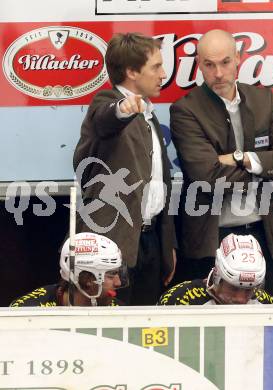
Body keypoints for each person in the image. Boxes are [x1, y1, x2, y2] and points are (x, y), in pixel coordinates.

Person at [170, 29, 273, 302]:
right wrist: (264, 167)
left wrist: (242, 158)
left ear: (238, 59)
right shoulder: (185, 109)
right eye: (209, 64)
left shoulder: (262, 100)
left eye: (225, 62)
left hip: (263, 233)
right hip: (211, 238)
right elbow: (206, 176)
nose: (218, 73)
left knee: (266, 324)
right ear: (199, 65)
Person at [73, 33, 176, 305]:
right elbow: (106, 118)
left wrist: (166, 247)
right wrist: (123, 108)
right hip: (111, 242)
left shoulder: (149, 115)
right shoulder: (106, 103)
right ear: (131, 71)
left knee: (145, 326)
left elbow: (158, 187)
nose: (163, 74)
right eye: (155, 67)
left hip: (150, 241)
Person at [10, 233, 128, 307]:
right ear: (88, 279)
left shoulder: (119, 311)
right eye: (112, 274)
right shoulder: (27, 312)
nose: (118, 282)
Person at [158, 233, 273, 305]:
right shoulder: (179, 299)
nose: (240, 299)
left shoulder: (265, 302)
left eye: (249, 289)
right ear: (217, 276)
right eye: (234, 288)